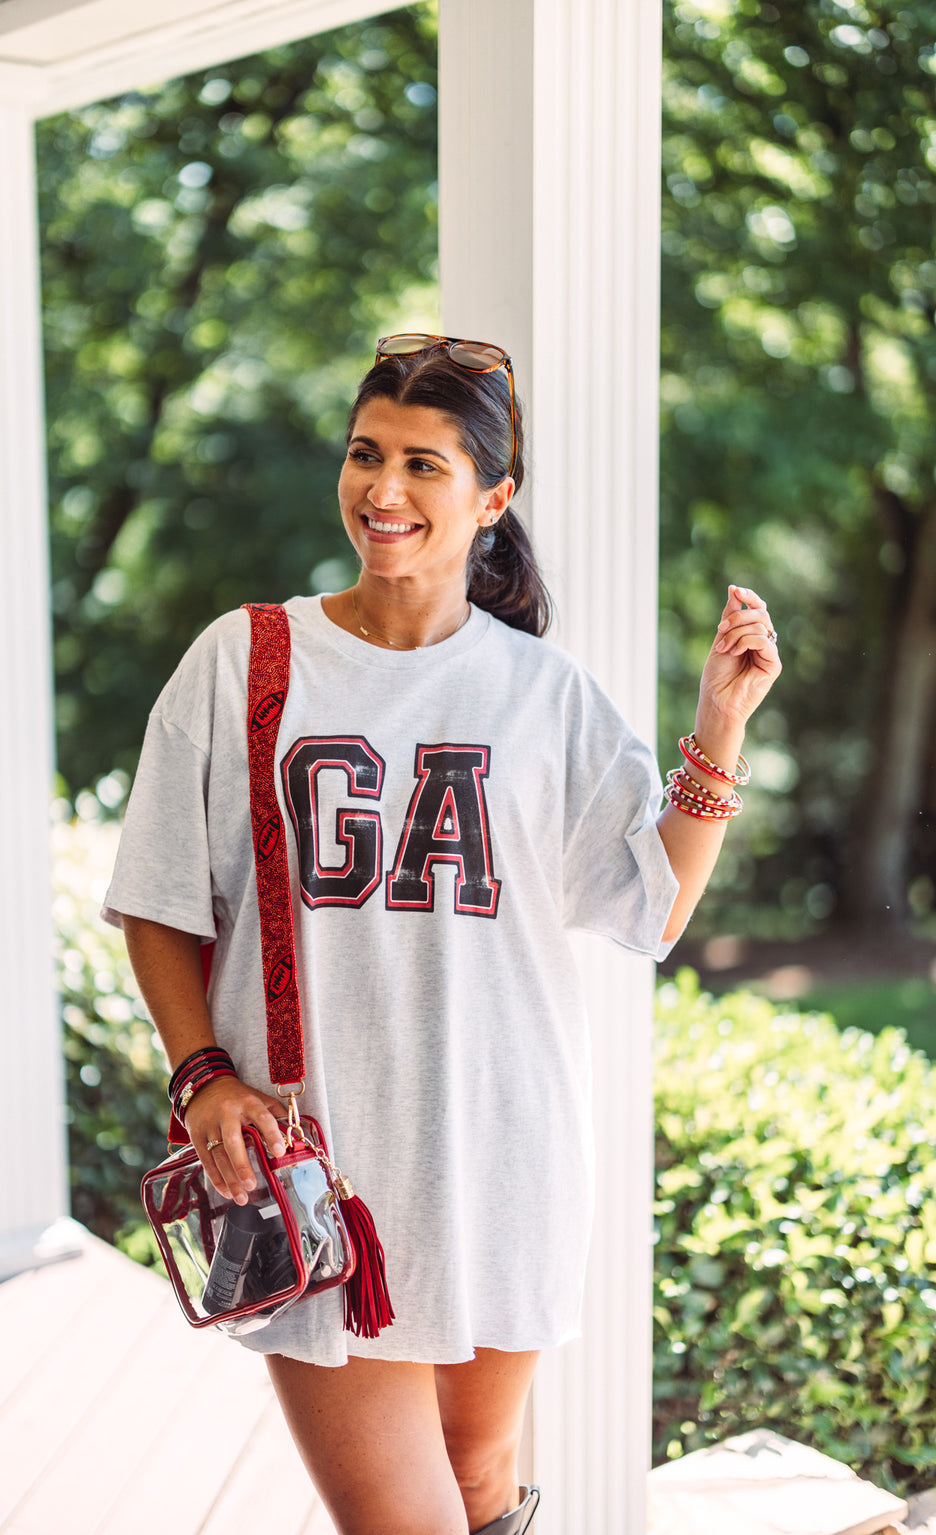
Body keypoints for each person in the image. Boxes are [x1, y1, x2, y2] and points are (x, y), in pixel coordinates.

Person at [103, 334, 781, 1535]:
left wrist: (719, 725)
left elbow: (651, 906)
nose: (383, 491)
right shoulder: (246, 659)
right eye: (367, 455)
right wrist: (202, 1074)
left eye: (424, 464)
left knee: (479, 1488)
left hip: (507, 1159)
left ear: (492, 497)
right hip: (320, 1177)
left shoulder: (543, 692)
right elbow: (162, 899)